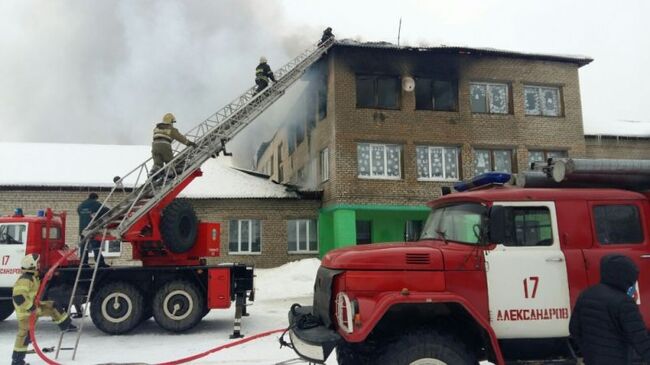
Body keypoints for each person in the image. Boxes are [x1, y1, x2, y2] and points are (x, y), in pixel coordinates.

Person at [569, 254, 650, 364]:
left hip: (592, 360)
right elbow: (640, 339)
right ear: (626, 276)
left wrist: (587, 351)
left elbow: (574, 328)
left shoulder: (586, 294)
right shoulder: (624, 302)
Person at [12, 254, 76, 365]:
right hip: (26, 313)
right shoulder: (25, 280)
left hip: (34, 308)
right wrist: (31, 308)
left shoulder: (32, 277)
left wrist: (47, 274)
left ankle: (66, 325)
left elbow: (38, 278)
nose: (39, 265)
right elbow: (18, 297)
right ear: (32, 265)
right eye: (37, 263)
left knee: (52, 306)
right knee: (25, 336)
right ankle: (17, 361)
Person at [77, 192, 109, 267]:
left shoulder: (81, 205)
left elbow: (79, 212)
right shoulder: (96, 204)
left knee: (84, 247)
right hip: (92, 229)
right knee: (96, 246)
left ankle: (84, 264)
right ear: (95, 198)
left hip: (83, 230)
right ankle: (100, 263)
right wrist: (98, 216)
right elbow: (107, 210)